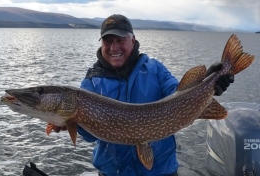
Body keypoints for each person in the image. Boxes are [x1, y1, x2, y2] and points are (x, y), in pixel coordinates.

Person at [53, 14, 234, 176]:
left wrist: (208, 82)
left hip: (162, 171)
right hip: (113, 172)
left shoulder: (155, 69)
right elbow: (91, 135)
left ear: (133, 39)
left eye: (120, 39)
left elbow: (177, 93)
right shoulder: (91, 82)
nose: (114, 47)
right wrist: (71, 122)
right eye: (108, 41)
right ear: (101, 44)